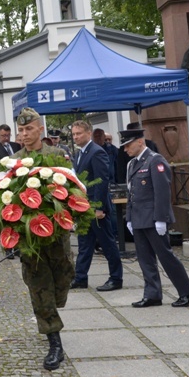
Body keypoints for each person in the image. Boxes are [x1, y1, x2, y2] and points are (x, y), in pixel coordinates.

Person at [13, 107, 74, 371]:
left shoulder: (57, 155)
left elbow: (73, 190)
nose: (24, 134)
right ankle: (54, 341)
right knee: (40, 288)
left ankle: (53, 308)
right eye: (21, 129)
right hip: (30, 240)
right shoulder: (14, 161)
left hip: (56, 235)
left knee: (62, 279)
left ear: (40, 129)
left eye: (29, 129)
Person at [121, 128, 189, 308]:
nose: (125, 149)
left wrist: (161, 219)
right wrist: (130, 218)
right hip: (139, 218)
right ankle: (152, 294)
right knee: (145, 259)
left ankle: (187, 291)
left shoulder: (155, 161)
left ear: (140, 141)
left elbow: (162, 193)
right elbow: (131, 193)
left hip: (154, 219)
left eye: (128, 145)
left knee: (166, 257)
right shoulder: (132, 164)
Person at [70, 121, 123, 292]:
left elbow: (102, 181)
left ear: (88, 133)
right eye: (73, 134)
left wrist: (99, 208)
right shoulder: (79, 153)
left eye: (78, 133)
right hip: (84, 206)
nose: (75, 137)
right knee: (84, 243)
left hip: (96, 207)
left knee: (107, 243)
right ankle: (80, 277)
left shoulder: (96, 152)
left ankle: (116, 278)